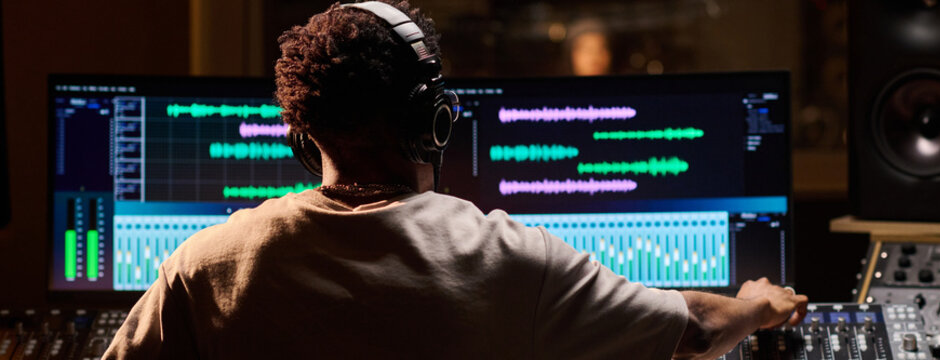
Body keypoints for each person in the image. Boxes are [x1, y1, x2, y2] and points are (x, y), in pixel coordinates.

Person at [104, 1, 808, 358]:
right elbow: (692, 329)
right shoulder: (509, 261)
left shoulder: (205, 265)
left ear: (299, 133)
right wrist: (756, 303)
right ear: (434, 120)